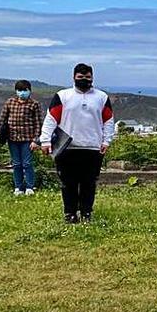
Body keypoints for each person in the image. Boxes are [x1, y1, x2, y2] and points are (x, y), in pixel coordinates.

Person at [40, 64, 115, 224]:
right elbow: (51, 118)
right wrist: (45, 140)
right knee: (69, 183)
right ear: (74, 77)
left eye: (87, 77)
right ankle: (70, 213)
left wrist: (107, 140)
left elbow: (108, 120)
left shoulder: (102, 97)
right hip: (67, 148)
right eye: (80, 77)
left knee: (89, 183)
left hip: (93, 147)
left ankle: (87, 212)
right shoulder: (62, 96)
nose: (84, 80)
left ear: (92, 77)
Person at [0, 80, 42, 196]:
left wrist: (36, 140)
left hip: (27, 139)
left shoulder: (34, 104)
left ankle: (29, 186)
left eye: (25, 90)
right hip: (12, 139)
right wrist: (1, 135)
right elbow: (3, 120)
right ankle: (18, 187)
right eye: (20, 90)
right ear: (16, 91)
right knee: (16, 164)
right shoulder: (10, 102)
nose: (22, 93)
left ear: (29, 91)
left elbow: (38, 123)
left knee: (27, 163)